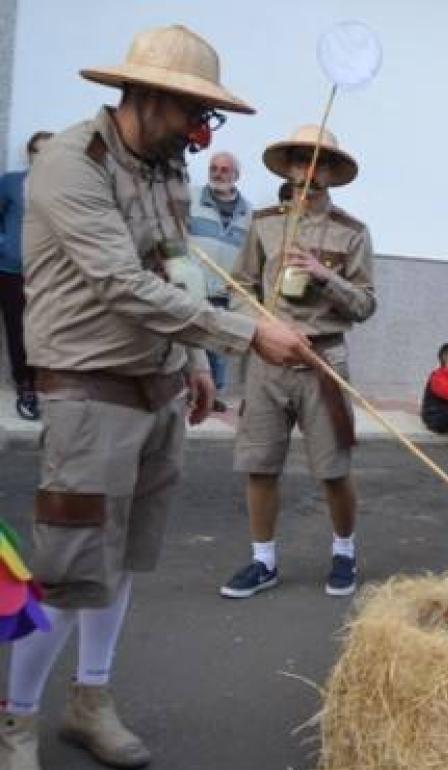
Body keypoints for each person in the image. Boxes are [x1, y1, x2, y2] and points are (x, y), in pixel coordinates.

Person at [0, 25, 309, 770]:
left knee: (125, 560)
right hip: (88, 392)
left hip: (160, 391)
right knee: (73, 568)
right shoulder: (70, 163)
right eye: (191, 111)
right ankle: (15, 722)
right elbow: (119, 283)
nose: (200, 130)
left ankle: (91, 701)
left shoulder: (168, 169)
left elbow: (173, 264)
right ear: (145, 95)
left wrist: (197, 357)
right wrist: (243, 335)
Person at [220, 125, 376, 600]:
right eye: (301, 160)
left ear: (331, 171)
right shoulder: (264, 222)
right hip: (268, 359)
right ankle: (263, 561)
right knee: (260, 464)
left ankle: (345, 551)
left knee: (332, 468)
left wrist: (326, 277)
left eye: (321, 162)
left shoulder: (352, 232)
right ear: (288, 167)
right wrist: (258, 328)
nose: (310, 170)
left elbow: (366, 304)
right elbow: (239, 285)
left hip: (323, 360)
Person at [188, 150, 252, 411]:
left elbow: (250, 253)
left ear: (236, 175)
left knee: (219, 343)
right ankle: (191, 390)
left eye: (225, 169)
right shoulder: (191, 198)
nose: (218, 173)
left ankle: (214, 394)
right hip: (193, 285)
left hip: (227, 288)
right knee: (191, 339)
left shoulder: (249, 213)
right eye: (214, 168)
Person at [0, 130, 53, 420]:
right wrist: (5, 245)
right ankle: (26, 386)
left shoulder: (65, 187)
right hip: (12, 272)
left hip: (51, 275)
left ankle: (46, 382)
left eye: (49, 151)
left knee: (47, 330)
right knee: (17, 331)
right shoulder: (10, 182)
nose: (43, 157)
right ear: (29, 154)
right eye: (38, 151)